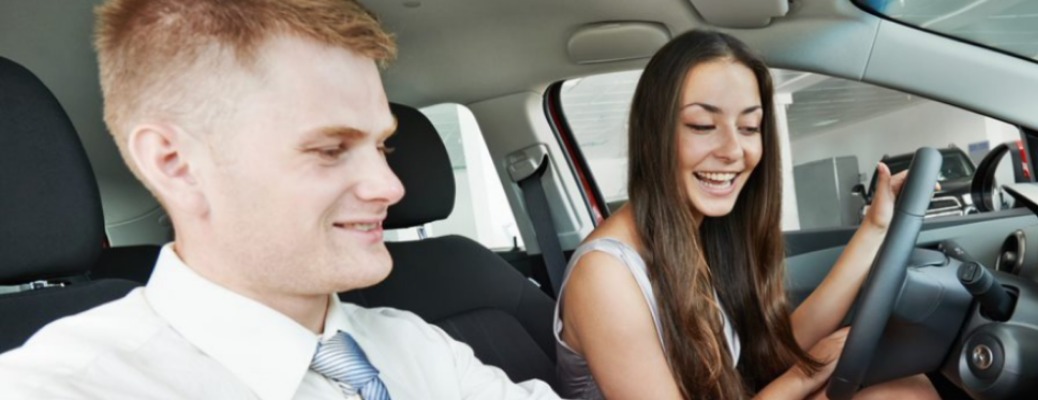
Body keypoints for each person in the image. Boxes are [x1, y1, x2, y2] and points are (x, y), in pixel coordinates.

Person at [0, 1, 563, 399]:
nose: (391, 187)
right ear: (177, 164)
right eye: (329, 149)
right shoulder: (65, 388)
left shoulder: (414, 343)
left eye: (382, 145)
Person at [553, 30, 940, 400]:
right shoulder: (605, 275)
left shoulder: (703, 235)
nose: (733, 150)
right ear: (653, 134)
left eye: (749, 127)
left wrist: (876, 226)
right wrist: (808, 372)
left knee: (906, 388)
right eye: (703, 125)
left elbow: (775, 351)